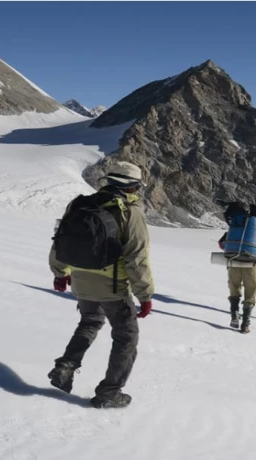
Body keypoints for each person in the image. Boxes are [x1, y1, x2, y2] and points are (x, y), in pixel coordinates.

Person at [48, 161, 154, 409]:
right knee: (126, 337)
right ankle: (109, 393)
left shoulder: (80, 203)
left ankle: (66, 365)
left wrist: (60, 272)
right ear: (132, 187)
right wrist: (145, 294)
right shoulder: (130, 212)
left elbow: (60, 239)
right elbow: (137, 258)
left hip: (81, 281)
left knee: (90, 322)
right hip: (112, 286)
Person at [218, 205, 256, 333]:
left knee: (234, 290)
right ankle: (245, 323)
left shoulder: (236, 228)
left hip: (233, 263)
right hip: (251, 265)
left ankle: (234, 315)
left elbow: (222, 244)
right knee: (250, 293)